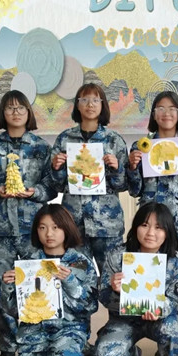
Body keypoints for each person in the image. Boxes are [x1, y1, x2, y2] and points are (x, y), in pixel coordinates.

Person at [0, 90, 57, 356]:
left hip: (34, 230)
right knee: (1, 287)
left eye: (21, 108)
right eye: (10, 108)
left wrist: (35, 192)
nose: (16, 112)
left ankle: (37, 339)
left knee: (37, 284)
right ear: (3, 113)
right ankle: (7, 344)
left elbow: (52, 186)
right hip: (1, 230)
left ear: (29, 113)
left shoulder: (41, 147)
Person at [2, 204, 97, 356]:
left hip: (68, 330)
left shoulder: (80, 263)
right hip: (34, 334)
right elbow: (13, 310)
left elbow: (90, 305)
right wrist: (7, 286)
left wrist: (70, 282)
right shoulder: (28, 264)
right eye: (42, 228)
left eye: (55, 227)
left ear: (66, 229)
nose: (49, 234)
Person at [94, 203, 178, 356]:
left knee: (175, 330)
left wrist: (159, 309)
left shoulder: (176, 261)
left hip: (159, 319)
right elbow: (103, 297)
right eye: (144, 225)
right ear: (135, 226)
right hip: (124, 319)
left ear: (167, 232)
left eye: (158, 227)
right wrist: (114, 290)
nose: (150, 233)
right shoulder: (117, 256)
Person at [49, 83, 129, 273]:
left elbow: (125, 184)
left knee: (113, 277)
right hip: (74, 222)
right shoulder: (64, 139)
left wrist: (116, 168)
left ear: (103, 105)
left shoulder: (114, 140)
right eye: (84, 100)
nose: (90, 104)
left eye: (95, 100)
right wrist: (57, 168)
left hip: (107, 223)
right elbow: (56, 186)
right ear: (77, 105)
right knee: (77, 276)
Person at [126, 91, 178, 263]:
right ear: (153, 114)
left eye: (172, 109)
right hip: (151, 227)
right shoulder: (141, 147)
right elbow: (134, 191)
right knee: (150, 271)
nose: (166, 113)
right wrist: (133, 167)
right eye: (161, 109)